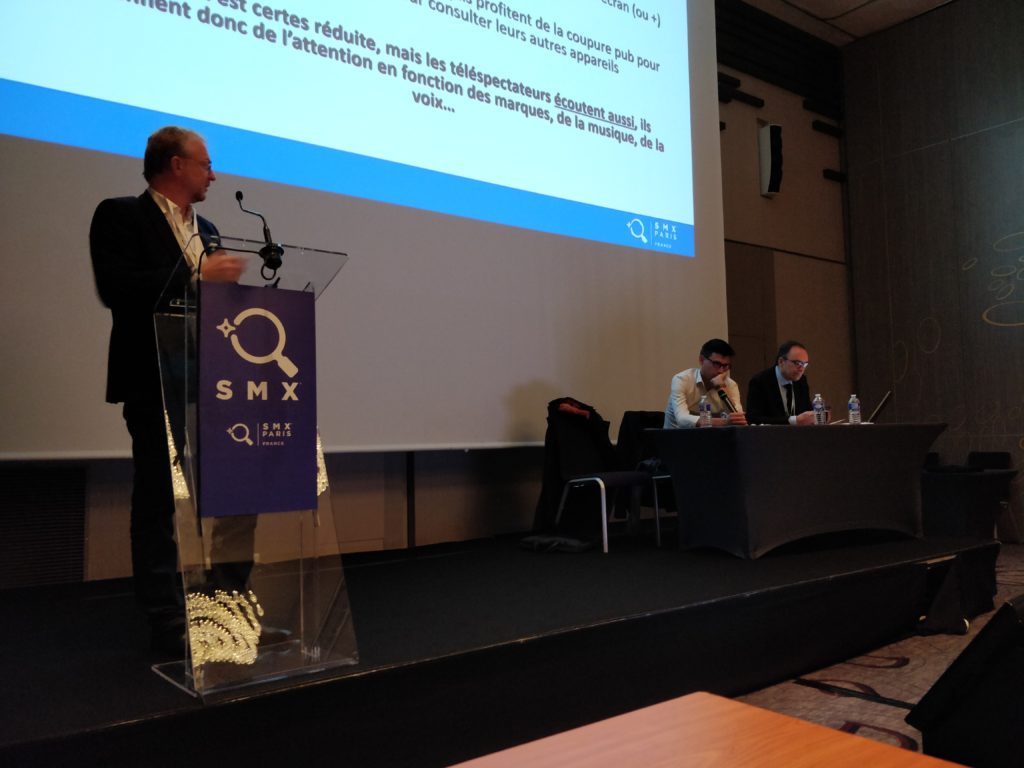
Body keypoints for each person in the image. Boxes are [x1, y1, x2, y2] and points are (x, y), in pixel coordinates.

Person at [90, 126, 245, 656]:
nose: (213, 175)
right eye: (206, 164)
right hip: (153, 378)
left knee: (231, 493)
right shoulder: (121, 215)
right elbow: (117, 287)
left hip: (214, 380)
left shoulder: (210, 229)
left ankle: (226, 607)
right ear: (176, 165)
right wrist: (197, 273)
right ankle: (166, 618)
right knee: (160, 499)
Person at [664, 339, 748, 428]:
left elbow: (738, 418)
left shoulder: (731, 385)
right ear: (701, 360)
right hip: (677, 434)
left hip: (710, 435)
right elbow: (682, 419)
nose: (721, 371)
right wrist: (724, 422)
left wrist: (721, 388)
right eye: (716, 364)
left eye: (725, 366)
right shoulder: (682, 379)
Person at [745, 340, 816, 425]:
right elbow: (753, 419)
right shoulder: (760, 381)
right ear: (781, 361)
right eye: (797, 363)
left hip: (798, 433)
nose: (801, 369)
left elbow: (806, 411)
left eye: (805, 364)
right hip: (771, 433)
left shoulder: (801, 380)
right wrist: (793, 420)